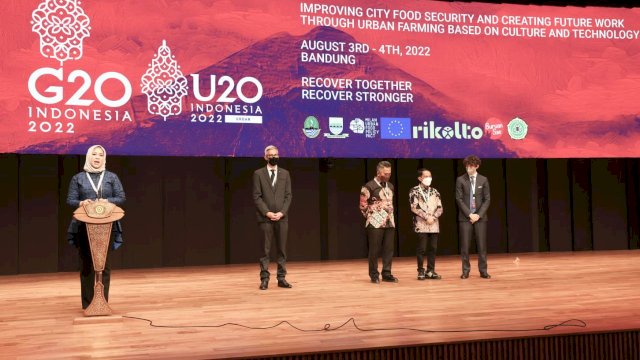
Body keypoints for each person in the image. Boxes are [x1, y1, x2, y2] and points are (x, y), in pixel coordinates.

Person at [66, 145, 126, 309]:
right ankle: (88, 304)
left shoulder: (111, 177)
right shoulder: (78, 178)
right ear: (88, 157)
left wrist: (107, 201)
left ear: (104, 158)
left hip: (107, 225)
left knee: (104, 266)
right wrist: (81, 202)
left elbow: (121, 198)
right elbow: (70, 200)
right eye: (94, 154)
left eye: (100, 154)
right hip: (84, 226)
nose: (97, 157)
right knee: (87, 265)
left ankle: (102, 303)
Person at [253, 145, 292, 290]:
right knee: (265, 250)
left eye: (276, 154)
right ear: (265, 157)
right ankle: (264, 279)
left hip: (282, 218)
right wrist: (267, 213)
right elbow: (257, 197)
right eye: (270, 155)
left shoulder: (285, 174)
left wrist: (282, 212)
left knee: (282, 250)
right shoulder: (258, 174)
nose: (273, 157)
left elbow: (288, 196)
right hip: (265, 218)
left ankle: (281, 278)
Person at [360, 160, 398, 283]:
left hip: (389, 222)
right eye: (385, 173)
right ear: (378, 172)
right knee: (374, 250)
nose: (388, 176)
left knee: (388, 249)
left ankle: (387, 273)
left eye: (389, 173)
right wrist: (375, 212)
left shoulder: (390, 186)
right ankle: (374, 274)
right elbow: (362, 206)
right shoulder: (368, 186)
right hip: (375, 222)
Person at [455, 155, 491, 279]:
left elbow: (487, 199)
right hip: (466, 217)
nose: (468, 168)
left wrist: (478, 215)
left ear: (477, 166)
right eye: (466, 166)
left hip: (480, 218)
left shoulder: (483, 180)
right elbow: (459, 199)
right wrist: (470, 214)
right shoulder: (460, 180)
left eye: (470, 166)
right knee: (465, 246)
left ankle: (483, 270)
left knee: (482, 246)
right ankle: (465, 270)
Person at [409, 168, 443, 280]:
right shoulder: (414, 191)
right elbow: (414, 207)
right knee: (421, 249)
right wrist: (426, 216)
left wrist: (433, 217)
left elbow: (440, 207)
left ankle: (431, 271)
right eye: (426, 176)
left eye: (430, 176)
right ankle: (421, 271)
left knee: (433, 248)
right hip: (421, 224)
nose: (429, 178)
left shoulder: (435, 191)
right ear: (420, 178)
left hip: (433, 224)